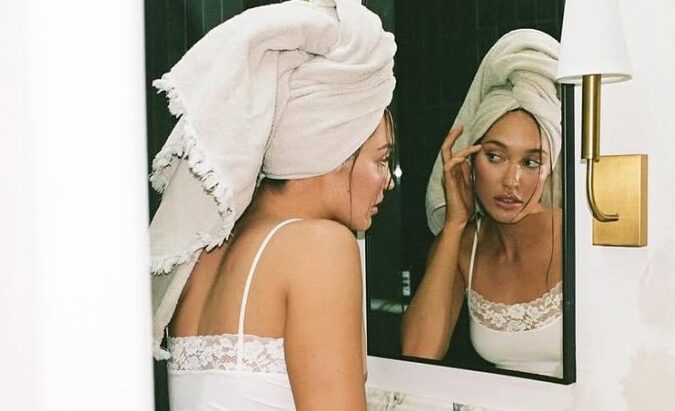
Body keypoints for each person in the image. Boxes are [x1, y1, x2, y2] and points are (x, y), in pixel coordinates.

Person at [147, 0, 396, 409]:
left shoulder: (205, 251)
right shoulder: (320, 247)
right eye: (382, 160)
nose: (388, 180)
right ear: (334, 146)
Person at [400, 29, 564, 377]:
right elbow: (418, 353)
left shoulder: (575, 237)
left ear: (549, 168)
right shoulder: (464, 245)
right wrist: (454, 224)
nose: (512, 181)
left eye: (530, 162)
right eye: (495, 156)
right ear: (469, 159)